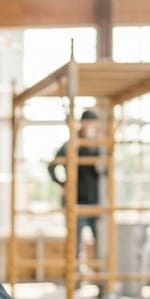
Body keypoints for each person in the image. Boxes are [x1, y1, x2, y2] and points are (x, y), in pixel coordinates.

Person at [48, 109, 104, 261]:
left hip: (94, 201)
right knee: (74, 243)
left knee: (101, 242)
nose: (91, 126)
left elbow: (106, 171)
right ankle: (76, 273)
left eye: (94, 123)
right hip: (75, 200)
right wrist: (63, 184)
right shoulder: (71, 145)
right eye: (89, 123)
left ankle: (100, 273)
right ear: (82, 123)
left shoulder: (99, 146)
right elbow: (52, 166)